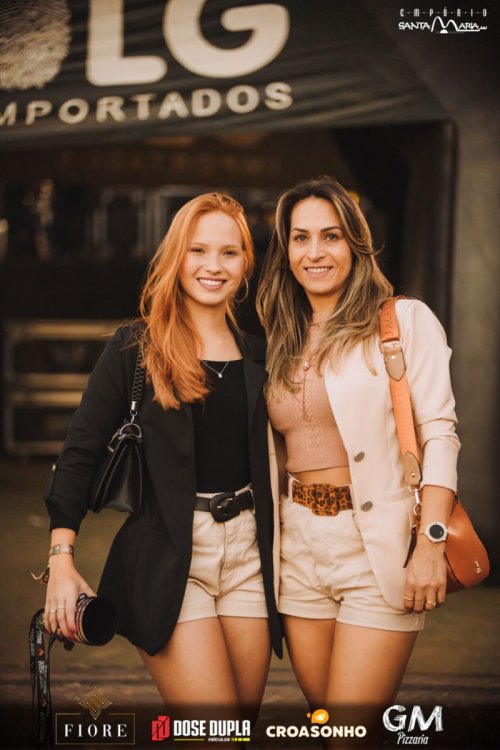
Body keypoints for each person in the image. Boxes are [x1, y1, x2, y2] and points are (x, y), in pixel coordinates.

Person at [42, 192, 282, 724]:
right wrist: (61, 559)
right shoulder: (136, 347)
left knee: (235, 731)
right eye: (198, 250)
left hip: (250, 559)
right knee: (214, 730)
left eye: (229, 252)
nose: (213, 266)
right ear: (176, 256)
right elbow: (79, 452)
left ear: (246, 262)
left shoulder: (261, 353)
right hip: (172, 554)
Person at [257, 177, 460, 741]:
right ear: (286, 250)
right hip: (297, 548)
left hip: (377, 547)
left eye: (331, 236)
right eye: (301, 238)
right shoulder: (279, 334)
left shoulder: (402, 321)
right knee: (329, 725)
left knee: (350, 731)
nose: (315, 252)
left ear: (356, 243)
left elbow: (439, 433)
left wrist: (431, 543)